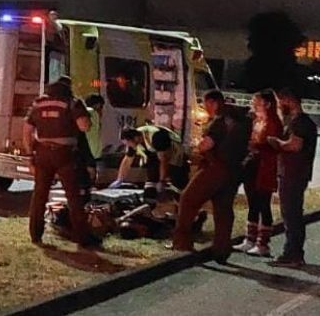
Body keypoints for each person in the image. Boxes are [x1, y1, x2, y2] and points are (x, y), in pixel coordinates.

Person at [169, 90, 250, 261]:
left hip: (215, 168)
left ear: (213, 102)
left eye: (205, 104)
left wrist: (198, 146)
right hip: (234, 171)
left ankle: (182, 242)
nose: (205, 108)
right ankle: (222, 249)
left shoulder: (219, 121)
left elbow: (207, 145)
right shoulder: (240, 120)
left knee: (188, 199)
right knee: (223, 209)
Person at [24, 80, 97, 248]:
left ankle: (35, 234)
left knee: (39, 195)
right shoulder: (72, 103)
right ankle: (82, 237)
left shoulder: (38, 104)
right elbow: (84, 126)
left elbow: (26, 131)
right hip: (65, 155)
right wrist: (87, 119)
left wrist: (29, 155)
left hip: (42, 154)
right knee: (73, 196)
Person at [267, 88, 318, 268]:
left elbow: (294, 146)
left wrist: (276, 142)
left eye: (281, 101)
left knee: (291, 214)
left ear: (289, 100)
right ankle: (294, 253)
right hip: (292, 173)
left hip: (294, 174)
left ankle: (293, 254)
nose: (280, 105)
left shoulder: (300, 123)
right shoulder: (298, 122)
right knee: (291, 213)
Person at [233, 89, 281, 257]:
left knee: (263, 203)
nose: (254, 105)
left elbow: (272, 145)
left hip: (265, 167)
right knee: (252, 202)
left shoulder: (273, 122)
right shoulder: (258, 121)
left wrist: (257, 146)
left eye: (257, 102)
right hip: (253, 165)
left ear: (267, 104)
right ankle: (250, 239)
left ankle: (263, 244)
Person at [109, 124, 188, 192]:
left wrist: (162, 180)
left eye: (129, 143)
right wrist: (119, 179)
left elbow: (164, 160)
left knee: (177, 183)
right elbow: (127, 160)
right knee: (151, 185)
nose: (129, 146)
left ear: (135, 138)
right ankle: (150, 196)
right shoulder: (134, 141)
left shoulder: (156, 136)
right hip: (156, 156)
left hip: (175, 155)